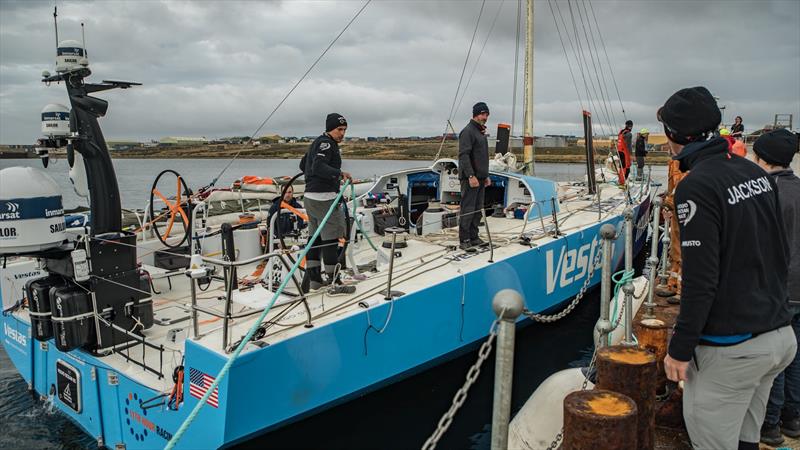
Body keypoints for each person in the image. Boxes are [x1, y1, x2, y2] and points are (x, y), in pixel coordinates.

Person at [659, 86, 795, 450]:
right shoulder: (754, 173)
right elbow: (779, 250)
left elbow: (700, 279)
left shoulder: (696, 187)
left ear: (675, 136)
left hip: (732, 349)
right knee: (745, 438)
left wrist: (680, 348)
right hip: (776, 334)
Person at [754, 130, 800, 446]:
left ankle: (769, 423)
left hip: (777, 288)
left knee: (776, 359)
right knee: (797, 355)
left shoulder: (765, 193)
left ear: (762, 159)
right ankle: (793, 418)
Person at [298, 113, 355, 296]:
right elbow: (318, 167)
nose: (342, 133)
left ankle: (315, 280)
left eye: (344, 130)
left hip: (309, 197)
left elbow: (303, 165)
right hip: (324, 198)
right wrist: (339, 174)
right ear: (330, 128)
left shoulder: (317, 142)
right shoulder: (327, 144)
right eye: (339, 129)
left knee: (315, 237)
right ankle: (334, 283)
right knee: (330, 239)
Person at [458, 102, 491, 252]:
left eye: (487, 114)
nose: (485, 117)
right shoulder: (468, 131)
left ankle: (474, 236)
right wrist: (471, 175)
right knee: (468, 208)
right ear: (476, 114)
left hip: (481, 178)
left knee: (478, 209)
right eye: (483, 114)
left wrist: (486, 175)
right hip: (470, 178)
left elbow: (482, 156)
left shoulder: (481, 133)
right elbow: (464, 155)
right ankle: (464, 239)